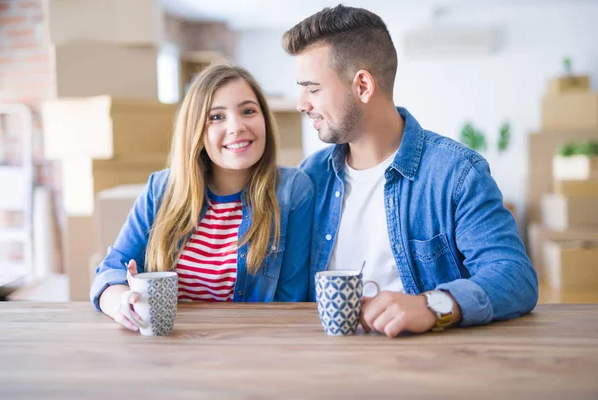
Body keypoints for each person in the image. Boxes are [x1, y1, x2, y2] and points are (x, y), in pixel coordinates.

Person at [283, 5, 538, 337]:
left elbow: (514, 276)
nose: (302, 104)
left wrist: (433, 305)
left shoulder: (457, 174)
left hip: (427, 372)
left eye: (313, 89)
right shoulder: (310, 178)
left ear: (362, 86)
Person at [90, 64, 315, 331]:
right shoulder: (161, 190)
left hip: (256, 348)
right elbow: (110, 271)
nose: (237, 127)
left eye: (248, 111)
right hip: (169, 348)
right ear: (195, 130)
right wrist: (121, 302)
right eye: (216, 117)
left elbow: (291, 302)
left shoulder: (293, 191)